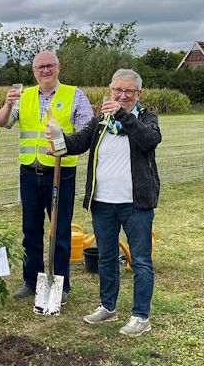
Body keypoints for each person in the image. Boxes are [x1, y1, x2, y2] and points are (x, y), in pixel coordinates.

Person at [46, 68, 161, 336]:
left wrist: (122, 115)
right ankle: (108, 307)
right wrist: (59, 141)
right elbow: (79, 142)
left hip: (136, 204)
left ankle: (141, 316)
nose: (122, 95)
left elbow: (150, 140)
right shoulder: (100, 122)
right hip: (103, 202)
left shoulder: (145, 118)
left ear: (138, 94)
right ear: (110, 91)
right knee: (107, 258)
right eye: (117, 91)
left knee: (141, 260)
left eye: (128, 91)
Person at [0, 51, 93, 305]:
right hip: (29, 173)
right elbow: (2, 123)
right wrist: (7, 105)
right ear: (33, 71)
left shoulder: (75, 95)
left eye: (50, 65)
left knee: (59, 231)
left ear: (59, 68)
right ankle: (32, 280)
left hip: (61, 174)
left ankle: (60, 284)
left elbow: (86, 132)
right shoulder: (24, 96)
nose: (45, 70)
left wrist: (64, 140)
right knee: (31, 230)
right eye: (40, 67)